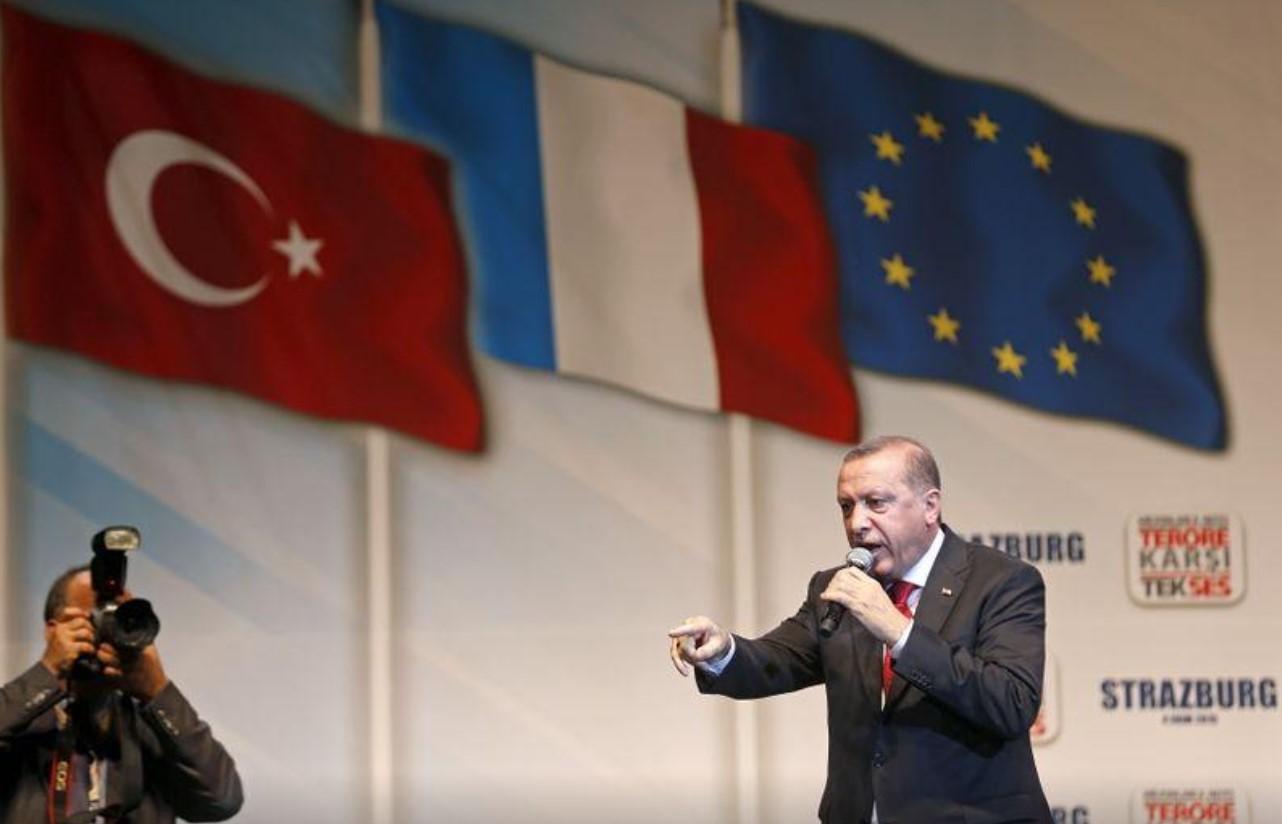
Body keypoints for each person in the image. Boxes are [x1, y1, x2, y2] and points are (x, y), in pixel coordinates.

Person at [668, 435, 1051, 824]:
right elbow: (776, 660)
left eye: (876, 503)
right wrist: (721, 651)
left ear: (930, 506)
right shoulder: (838, 588)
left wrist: (899, 633)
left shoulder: (1002, 581)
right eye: (846, 506)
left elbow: (1012, 702)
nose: (857, 523)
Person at [0, 565, 244, 823]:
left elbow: (221, 801)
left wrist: (158, 691)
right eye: (94, 618)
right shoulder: (21, 725)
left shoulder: (152, 731)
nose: (107, 633)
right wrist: (47, 673)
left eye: (119, 621)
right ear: (54, 630)